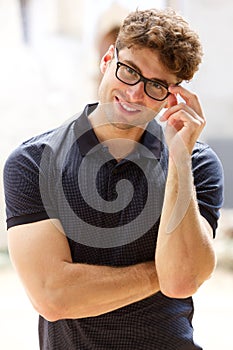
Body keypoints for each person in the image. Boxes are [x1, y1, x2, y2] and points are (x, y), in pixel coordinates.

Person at [3, 8, 224, 350]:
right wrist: (159, 272)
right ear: (108, 60)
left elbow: (181, 281)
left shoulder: (195, 164)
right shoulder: (33, 162)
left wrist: (179, 158)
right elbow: (53, 296)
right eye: (130, 71)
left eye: (156, 85)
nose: (136, 94)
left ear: (174, 96)